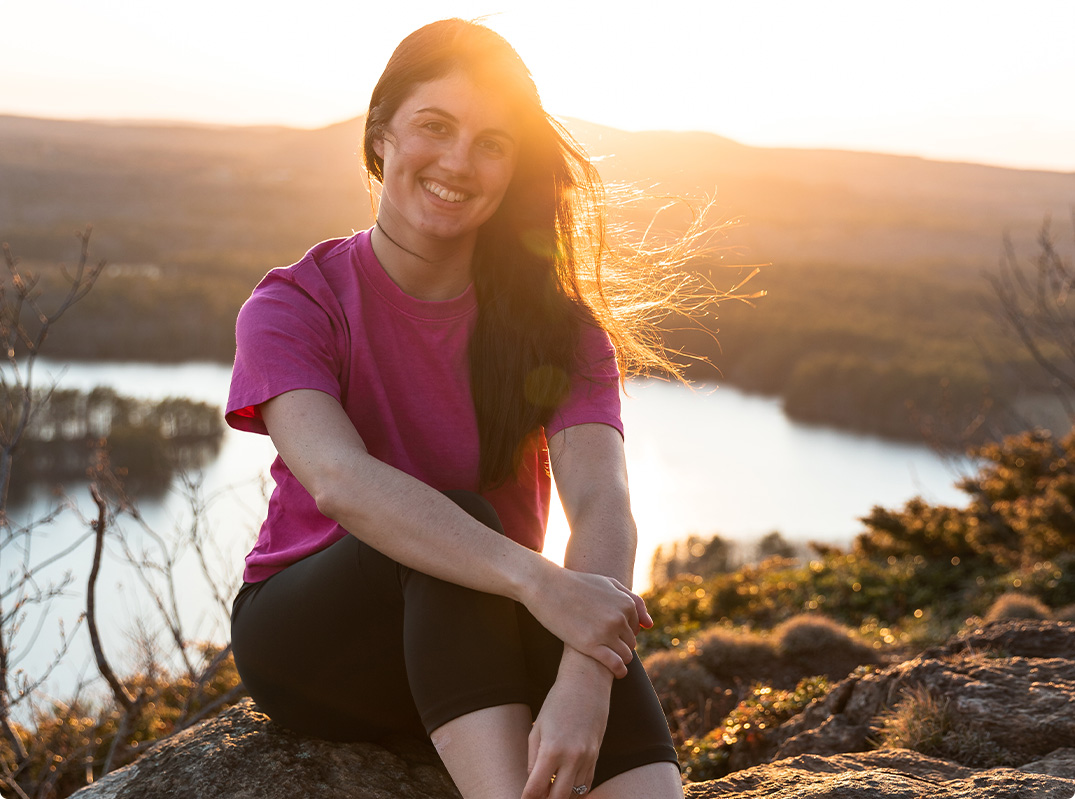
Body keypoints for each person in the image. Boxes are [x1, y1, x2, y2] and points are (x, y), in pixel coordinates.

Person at [227, 18, 688, 799]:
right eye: (434, 128)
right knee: (462, 529)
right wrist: (540, 584)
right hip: (317, 640)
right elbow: (339, 480)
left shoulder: (558, 329)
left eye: (491, 143)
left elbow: (602, 497)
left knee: (576, 610)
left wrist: (584, 670)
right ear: (379, 138)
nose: (457, 162)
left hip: (487, 625)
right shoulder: (295, 304)